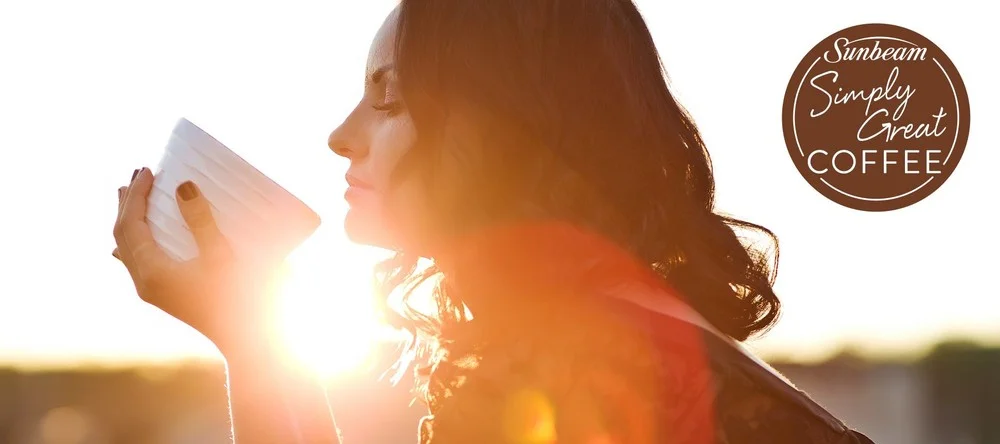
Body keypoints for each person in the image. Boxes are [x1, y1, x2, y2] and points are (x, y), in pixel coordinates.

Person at [112, 1, 877, 443]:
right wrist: (252, 338)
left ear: (511, 128)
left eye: (389, 96)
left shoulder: (565, 376)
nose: (340, 135)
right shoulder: (650, 349)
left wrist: (249, 343)